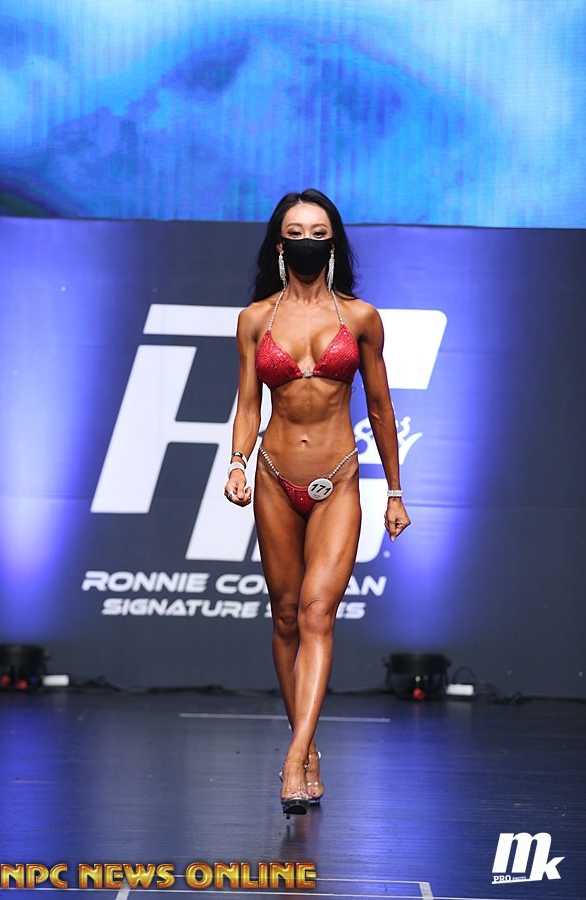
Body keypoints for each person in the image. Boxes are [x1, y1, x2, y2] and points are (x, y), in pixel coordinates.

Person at [224, 189, 411, 815]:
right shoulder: (255, 319)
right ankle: (306, 748)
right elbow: (247, 404)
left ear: (333, 243)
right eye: (297, 231)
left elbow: (381, 408)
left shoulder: (361, 318)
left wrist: (395, 491)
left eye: (319, 231)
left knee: (316, 614)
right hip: (275, 477)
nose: (308, 240)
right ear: (280, 244)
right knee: (284, 615)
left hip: (338, 478)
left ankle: (295, 755)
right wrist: (237, 463)